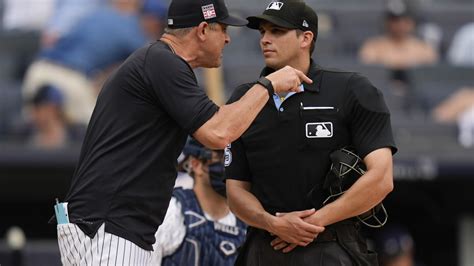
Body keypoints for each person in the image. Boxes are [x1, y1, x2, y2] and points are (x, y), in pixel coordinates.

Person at [54, 0, 311, 264]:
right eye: (222, 29)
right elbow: (218, 132)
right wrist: (269, 85)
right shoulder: (161, 61)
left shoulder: (159, 61)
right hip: (110, 225)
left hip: (109, 223)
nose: (227, 39)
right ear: (202, 30)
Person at [225, 1, 397, 265]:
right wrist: (273, 223)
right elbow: (235, 190)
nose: (265, 40)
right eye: (262, 32)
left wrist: (312, 224)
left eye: (277, 31)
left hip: (330, 244)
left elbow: (382, 178)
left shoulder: (352, 89)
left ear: (306, 38)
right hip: (264, 246)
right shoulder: (244, 98)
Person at [22, 0, 164, 126]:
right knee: (95, 132)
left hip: (38, 70)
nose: (157, 27)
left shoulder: (97, 13)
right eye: (158, 21)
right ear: (150, 19)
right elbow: (150, 63)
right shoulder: (132, 30)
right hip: (69, 78)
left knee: (34, 132)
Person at [151, 137, 246, 265]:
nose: (228, 165)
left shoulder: (246, 220)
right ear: (196, 165)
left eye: (231, 159)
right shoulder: (173, 212)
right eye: (221, 157)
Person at [358, 0, 438, 69]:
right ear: (386, 23)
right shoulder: (372, 47)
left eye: (404, 21)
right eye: (395, 21)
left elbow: (431, 73)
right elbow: (367, 69)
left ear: (412, 23)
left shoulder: (424, 49)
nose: (400, 25)